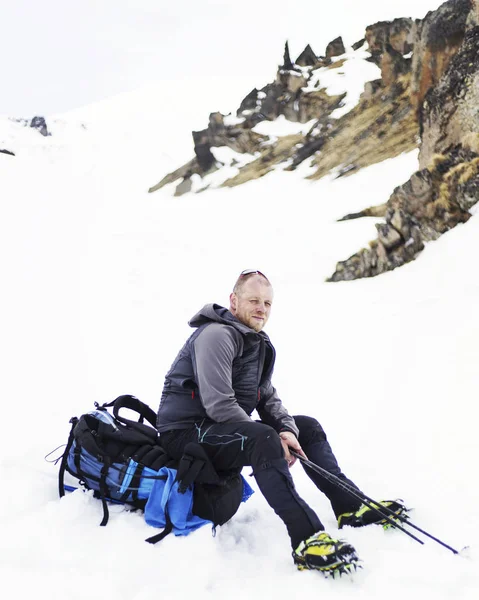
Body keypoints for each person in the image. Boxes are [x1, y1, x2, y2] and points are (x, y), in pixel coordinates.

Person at [157, 269, 405, 575]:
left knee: (307, 427)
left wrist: (287, 430)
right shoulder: (217, 335)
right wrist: (273, 439)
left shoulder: (256, 342)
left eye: (268, 303)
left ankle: (349, 506)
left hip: (217, 428)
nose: (262, 308)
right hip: (184, 433)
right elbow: (219, 404)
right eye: (254, 300)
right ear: (234, 301)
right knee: (262, 437)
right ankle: (306, 539)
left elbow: (267, 397)